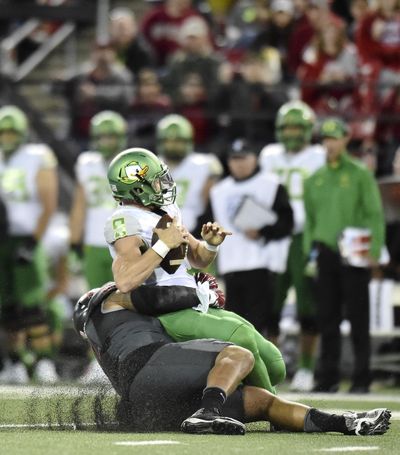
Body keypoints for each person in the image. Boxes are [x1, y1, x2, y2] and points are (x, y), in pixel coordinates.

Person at [72, 281, 392, 436]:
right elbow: (155, 298)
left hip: (152, 405)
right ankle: (210, 411)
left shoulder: (96, 342)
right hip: (151, 366)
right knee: (238, 353)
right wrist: (200, 293)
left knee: (262, 401)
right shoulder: (111, 299)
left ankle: (349, 423)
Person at [104, 147, 286, 394]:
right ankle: (271, 406)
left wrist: (210, 243)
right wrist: (162, 244)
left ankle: (226, 388)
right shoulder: (124, 220)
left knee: (274, 363)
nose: (163, 185)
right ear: (138, 188)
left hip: (193, 299)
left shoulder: (165, 210)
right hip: (166, 307)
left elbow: (198, 259)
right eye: (157, 181)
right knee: (241, 337)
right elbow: (125, 281)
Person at [303, 117, 386, 393]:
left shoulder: (361, 174)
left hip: (355, 251)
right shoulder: (314, 179)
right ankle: (327, 378)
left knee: (358, 317)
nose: (329, 144)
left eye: (334, 138)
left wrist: (374, 251)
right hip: (326, 252)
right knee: (327, 318)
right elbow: (311, 223)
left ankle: (362, 379)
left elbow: (374, 214)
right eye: (325, 139)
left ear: (346, 139)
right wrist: (309, 254)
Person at [259, 100, 325, 392]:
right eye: (288, 127)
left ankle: (308, 368)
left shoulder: (318, 155)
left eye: (298, 127)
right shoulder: (269, 155)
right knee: (270, 303)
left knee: (308, 303)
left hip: (305, 237)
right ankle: (273, 368)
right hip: (275, 237)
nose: (293, 133)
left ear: (309, 129)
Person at [0, 105, 58, 383]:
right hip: (2, 239)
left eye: (12, 131)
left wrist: (34, 239)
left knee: (31, 305)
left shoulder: (37, 157)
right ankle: (16, 362)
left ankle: (44, 361)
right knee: (6, 305)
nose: (7, 137)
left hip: (26, 237)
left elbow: (49, 204)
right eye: (4, 132)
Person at [210, 138, 294, 332]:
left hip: (262, 265)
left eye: (243, 158)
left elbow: (287, 222)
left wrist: (263, 232)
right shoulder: (219, 191)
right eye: (234, 159)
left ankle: (263, 362)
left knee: (260, 324)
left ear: (254, 159)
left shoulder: (271, 185)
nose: (239, 163)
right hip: (232, 266)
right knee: (235, 326)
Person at [69, 110, 127, 383]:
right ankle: (98, 363)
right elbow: (80, 203)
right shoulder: (87, 162)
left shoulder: (130, 162)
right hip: (94, 242)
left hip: (124, 240)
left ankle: (125, 360)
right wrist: (74, 240)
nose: (106, 140)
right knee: (94, 306)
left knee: (125, 303)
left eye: (111, 135)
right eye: (102, 135)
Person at [156, 113, 222, 233]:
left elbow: (212, 203)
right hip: (157, 227)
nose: (173, 146)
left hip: (194, 226)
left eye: (178, 141)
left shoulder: (205, 164)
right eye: (169, 141)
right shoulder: (151, 165)